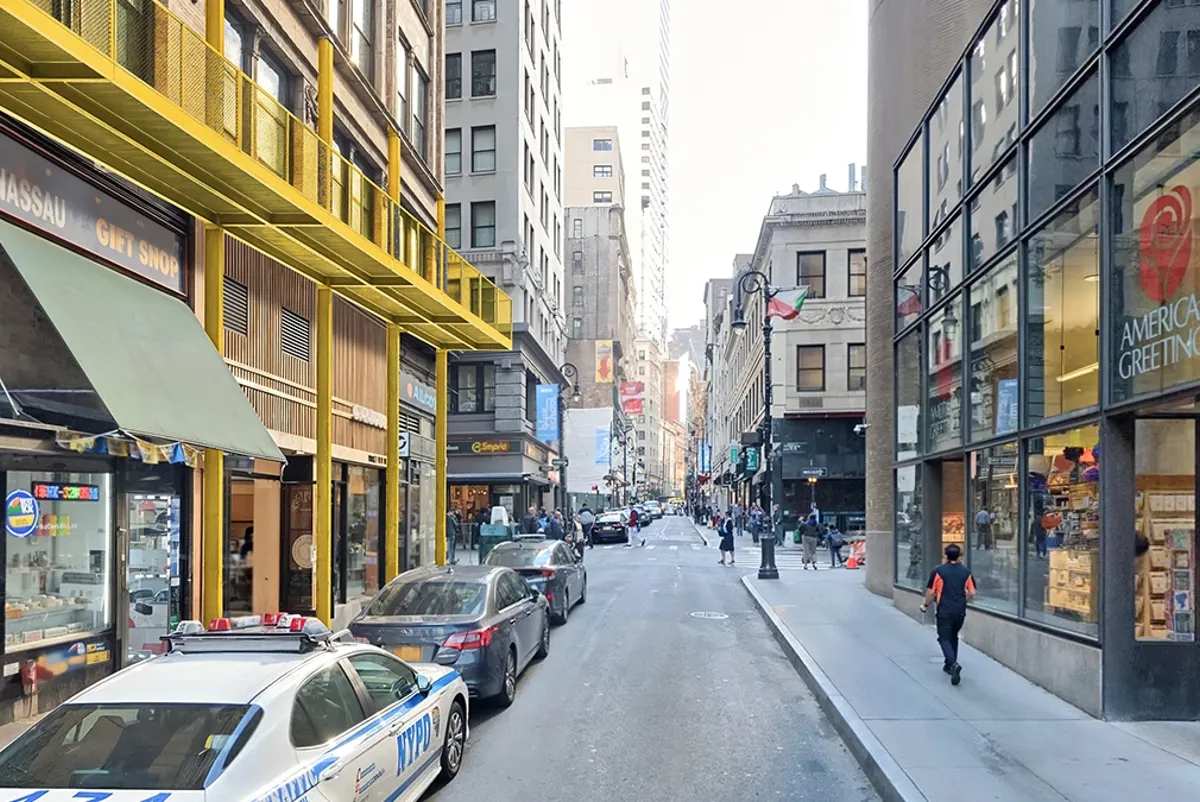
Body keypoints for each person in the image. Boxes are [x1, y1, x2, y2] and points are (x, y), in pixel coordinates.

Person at [921, 543, 977, 686]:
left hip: (944, 609)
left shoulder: (939, 571)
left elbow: (931, 592)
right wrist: (963, 599)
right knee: (953, 637)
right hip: (960, 611)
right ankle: (949, 665)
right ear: (959, 556)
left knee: (944, 638)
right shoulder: (966, 572)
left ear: (946, 556)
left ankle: (953, 664)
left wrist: (925, 605)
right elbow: (972, 592)